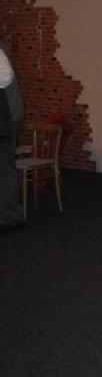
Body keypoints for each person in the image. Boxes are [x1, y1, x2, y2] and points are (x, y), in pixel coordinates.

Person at [0, 40, 25, 236]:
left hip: (6, 119)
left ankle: (10, 217)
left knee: (4, 169)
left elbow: (6, 77)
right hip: (6, 117)